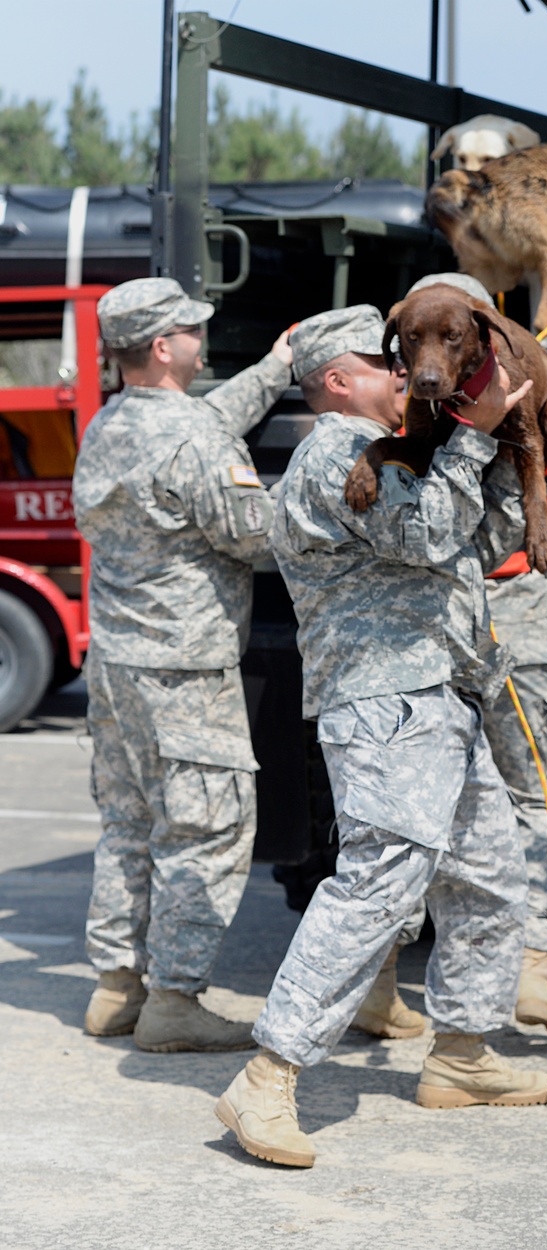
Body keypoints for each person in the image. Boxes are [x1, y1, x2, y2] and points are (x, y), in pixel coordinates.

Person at [215, 305, 547, 1170]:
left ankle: (464, 1054)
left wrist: (508, 447)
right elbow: (427, 532)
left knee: (487, 872)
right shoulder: (335, 450)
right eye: (384, 360)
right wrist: (475, 442)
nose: (405, 371)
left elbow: (473, 543)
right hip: (386, 703)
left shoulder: (401, 451)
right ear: (336, 379)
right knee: (379, 885)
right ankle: (269, 1074)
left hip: (438, 694)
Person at [352, 272, 547, 1037]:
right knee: (544, 787)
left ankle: (376, 981)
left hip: (419, 624)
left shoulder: (425, 397)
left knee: (412, 801)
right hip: (504, 609)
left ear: (482, 338)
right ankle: (535, 967)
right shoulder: (491, 387)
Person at [75, 277, 293, 1051]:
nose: (203, 344)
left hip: (117, 665)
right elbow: (259, 533)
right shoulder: (193, 439)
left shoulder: (111, 423)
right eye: (193, 333)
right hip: (187, 671)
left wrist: (276, 367)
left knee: (129, 823)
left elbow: (200, 425)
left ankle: (116, 987)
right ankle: (175, 1000)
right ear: (164, 347)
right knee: (206, 830)